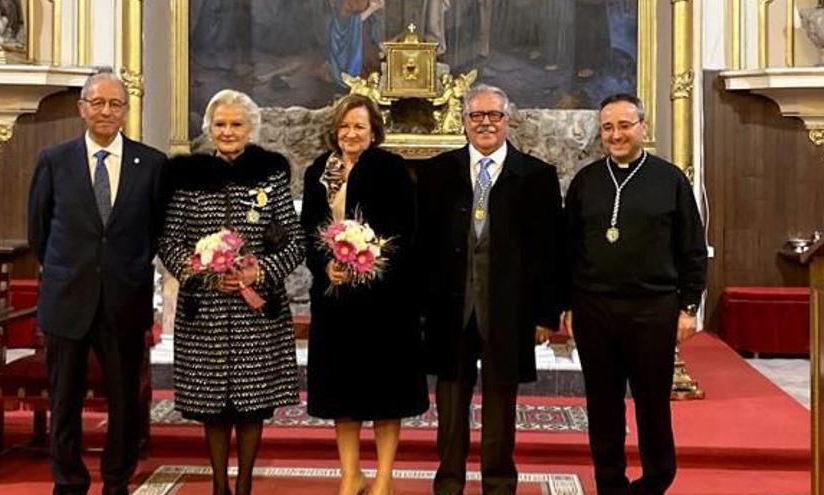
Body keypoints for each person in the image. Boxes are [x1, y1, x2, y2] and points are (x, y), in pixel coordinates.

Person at [417, 84, 563, 495]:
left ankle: (498, 484)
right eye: (476, 116)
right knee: (449, 404)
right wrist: (421, 311)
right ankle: (448, 483)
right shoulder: (436, 173)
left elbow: (549, 253)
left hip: (509, 312)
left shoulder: (537, 176)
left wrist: (545, 315)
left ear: (507, 120)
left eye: (493, 116)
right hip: (451, 309)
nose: (485, 123)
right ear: (463, 122)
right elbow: (421, 247)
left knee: (501, 406)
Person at [27, 69, 167, 495]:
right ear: (82, 108)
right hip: (68, 300)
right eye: (98, 103)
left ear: (126, 110)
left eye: (115, 104)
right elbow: (39, 232)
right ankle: (68, 480)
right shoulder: (54, 161)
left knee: (124, 401)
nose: (106, 111)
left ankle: (116, 480)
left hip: (124, 301)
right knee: (64, 400)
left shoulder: (152, 164)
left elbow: (156, 231)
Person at [158, 89, 305, 495]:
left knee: (253, 405)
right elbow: (169, 243)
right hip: (203, 312)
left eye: (236, 124)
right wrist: (204, 273)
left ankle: (243, 485)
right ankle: (219, 484)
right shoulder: (183, 176)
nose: (227, 131)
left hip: (256, 314)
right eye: (220, 124)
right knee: (213, 409)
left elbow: (295, 242)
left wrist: (259, 273)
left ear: (251, 128)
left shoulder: (271, 173)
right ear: (209, 129)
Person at [562, 93, 707, 495]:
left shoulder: (670, 179)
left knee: (652, 405)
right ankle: (609, 483)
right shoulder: (586, 181)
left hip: (652, 309)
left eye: (625, 125)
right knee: (603, 405)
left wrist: (689, 307)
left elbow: (692, 248)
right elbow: (567, 249)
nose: (616, 134)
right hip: (594, 309)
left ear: (643, 127)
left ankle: (656, 479)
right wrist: (567, 305)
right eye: (608, 127)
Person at [301, 94, 428, 495]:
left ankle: (384, 478)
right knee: (343, 393)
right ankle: (351, 474)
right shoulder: (319, 170)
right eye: (344, 126)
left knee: (386, 393)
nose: (350, 133)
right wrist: (327, 264)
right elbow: (309, 229)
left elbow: (406, 231)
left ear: (373, 132)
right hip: (336, 300)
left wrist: (368, 258)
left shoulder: (392, 169)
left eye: (359, 126)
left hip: (386, 302)